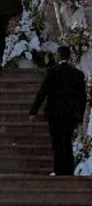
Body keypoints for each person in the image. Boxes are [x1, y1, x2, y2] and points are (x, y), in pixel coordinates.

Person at [29, 43, 87, 175]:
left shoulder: (52, 72)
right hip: (71, 114)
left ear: (58, 56)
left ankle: (59, 170)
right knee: (67, 141)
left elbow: (42, 92)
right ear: (69, 56)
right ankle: (68, 170)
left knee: (57, 143)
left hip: (55, 114)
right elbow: (82, 98)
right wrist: (80, 116)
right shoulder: (78, 74)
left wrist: (33, 111)